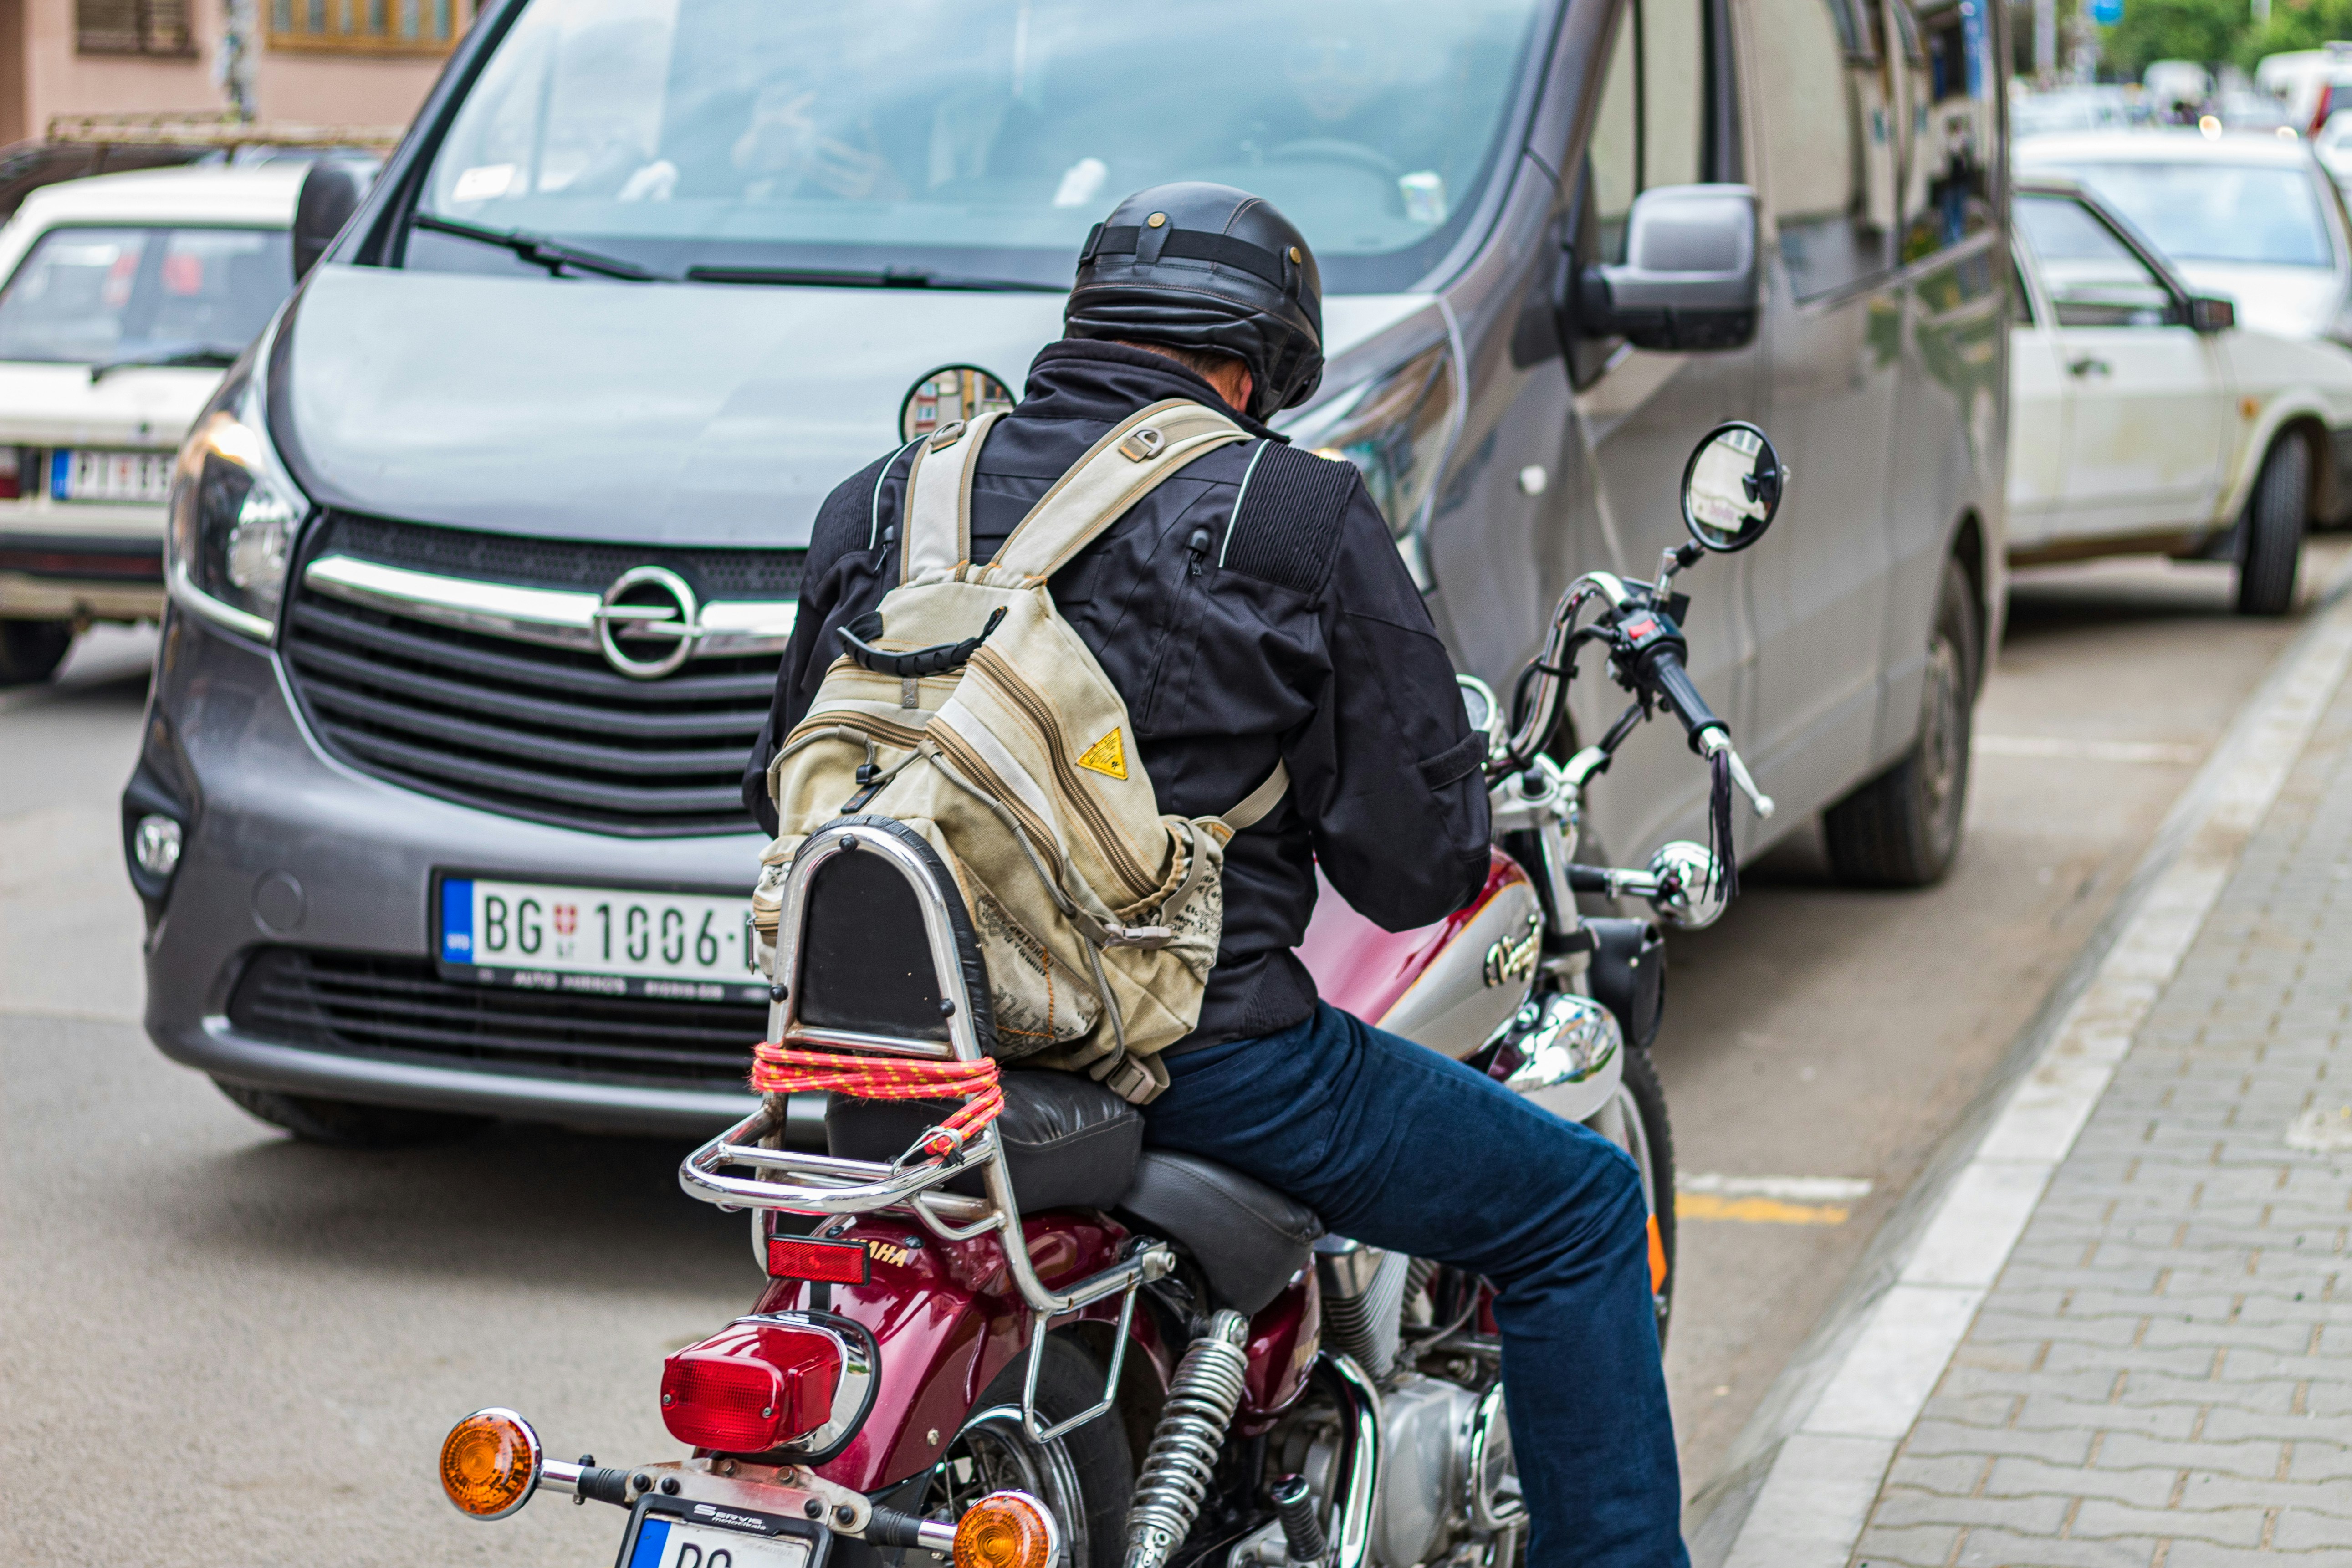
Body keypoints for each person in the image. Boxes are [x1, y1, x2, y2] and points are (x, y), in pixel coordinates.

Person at [742, 182, 1686, 1568]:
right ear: (1255, 370)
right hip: (1198, 1058)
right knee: (1579, 1210)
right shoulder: (1291, 514)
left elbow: (774, 778)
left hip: (892, 1060)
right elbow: (1417, 867)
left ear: (1086, 325)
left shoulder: (887, 496)